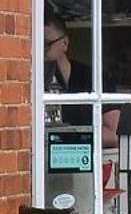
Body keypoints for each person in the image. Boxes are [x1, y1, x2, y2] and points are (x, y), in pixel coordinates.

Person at [44, 14, 120, 142]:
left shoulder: (95, 79)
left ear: (65, 43)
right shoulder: (25, 80)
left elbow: (112, 134)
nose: (39, 52)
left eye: (46, 44)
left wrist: (64, 139)